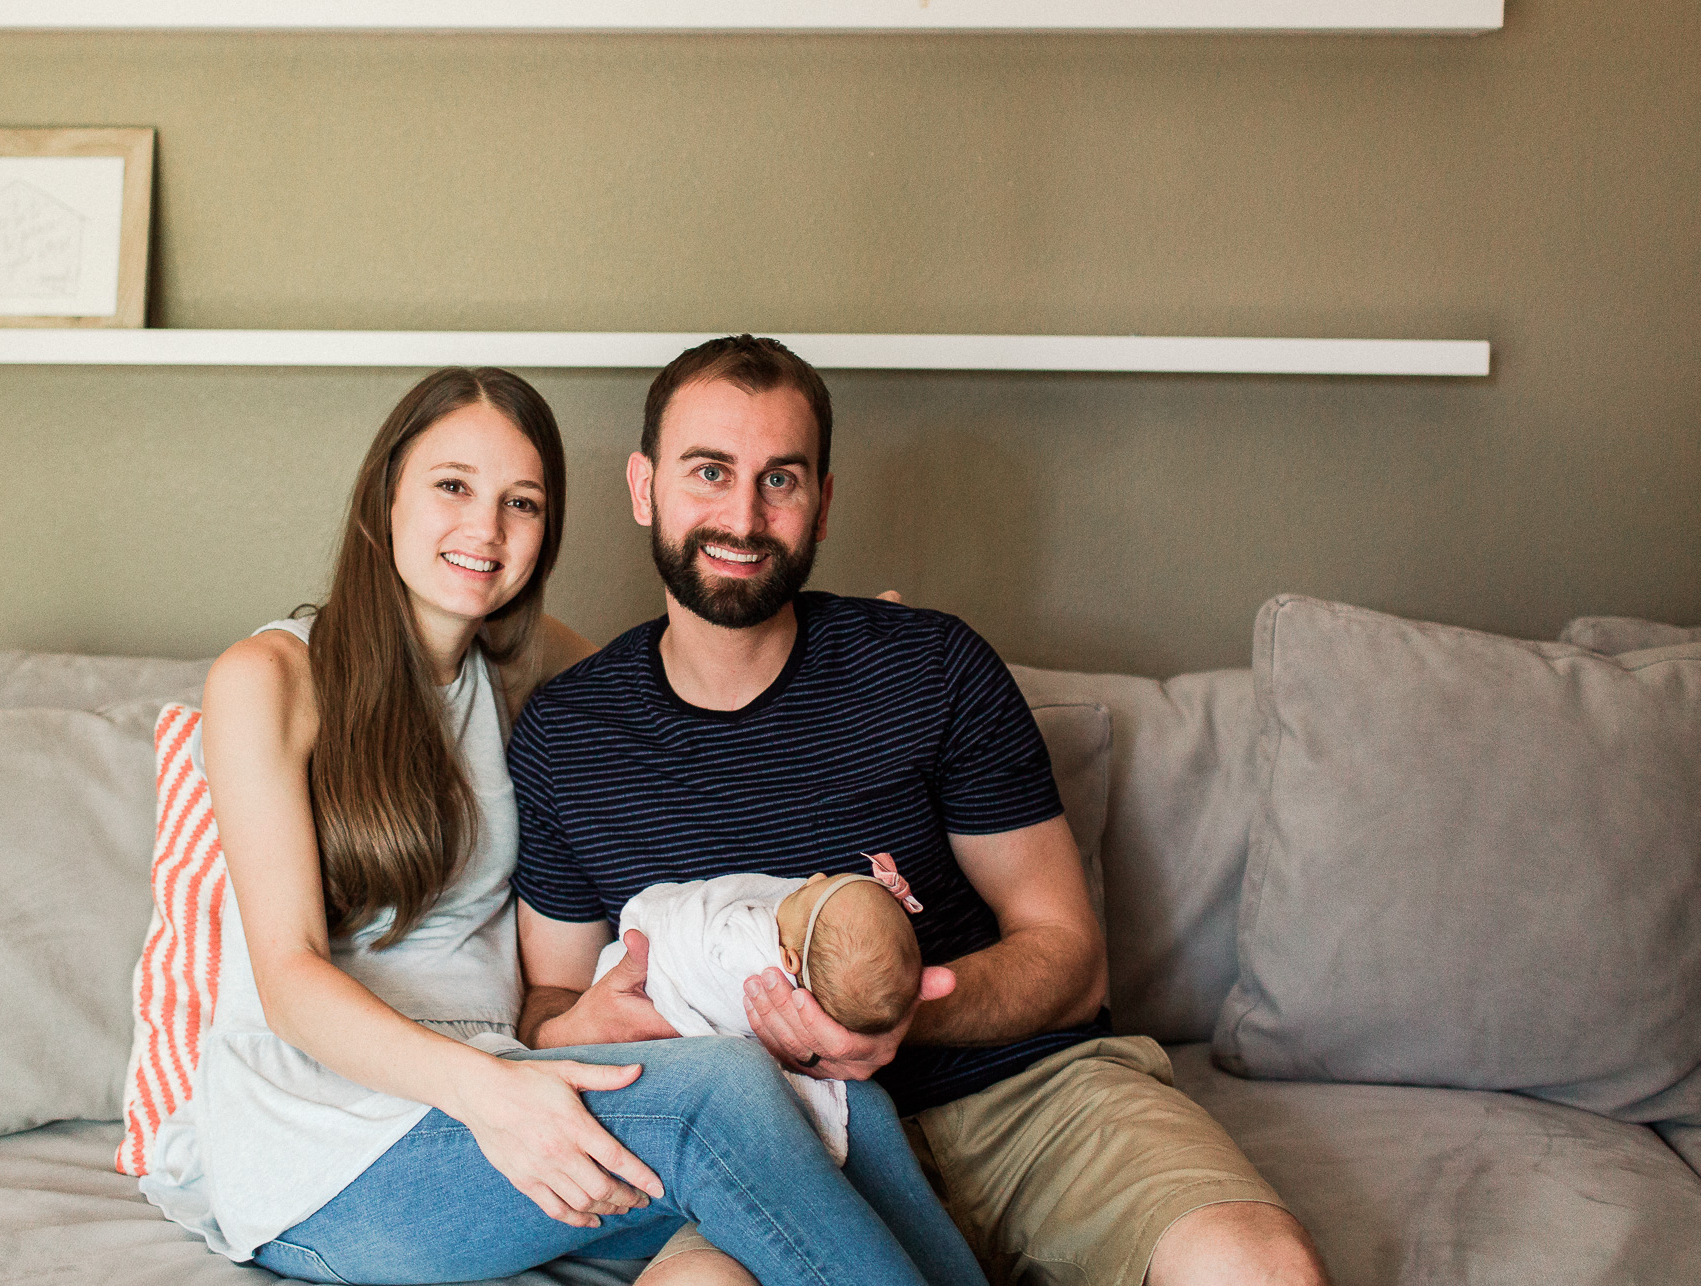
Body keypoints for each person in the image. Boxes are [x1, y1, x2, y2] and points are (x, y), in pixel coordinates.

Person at [509, 336, 1333, 1286]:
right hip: (779, 1143)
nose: (742, 515)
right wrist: (581, 1030)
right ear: (644, 486)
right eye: (709, 472)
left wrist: (899, 1020)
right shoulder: (569, 737)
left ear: (822, 505)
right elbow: (548, 1005)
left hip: (1025, 1099)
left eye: (780, 479)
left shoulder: (928, 666)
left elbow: (1068, 956)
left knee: (1259, 1267)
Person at [137, 365, 987, 1286]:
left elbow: (692, 688)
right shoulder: (269, 678)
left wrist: (851, 659)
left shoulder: (526, 666)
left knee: (833, 1098)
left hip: (503, 1084)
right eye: (453, 486)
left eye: (523, 503)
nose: (486, 530)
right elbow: (290, 981)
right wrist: (494, 1095)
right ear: (385, 498)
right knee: (723, 1092)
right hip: (332, 1143)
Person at [592, 860, 927, 1164]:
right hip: (620, 1005)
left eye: (808, 892)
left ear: (789, 961)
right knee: (869, 1109)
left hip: (666, 996)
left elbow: (691, 935)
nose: (814, 877)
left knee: (868, 1109)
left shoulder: (743, 945)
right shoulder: (792, 948)